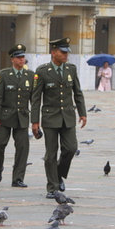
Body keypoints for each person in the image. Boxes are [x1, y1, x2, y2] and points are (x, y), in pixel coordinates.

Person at [31, 37, 87, 198]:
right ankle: (52, 187)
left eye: (67, 52)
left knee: (71, 148)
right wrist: (35, 122)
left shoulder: (71, 69)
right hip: (50, 117)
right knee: (51, 154)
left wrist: (82, 112)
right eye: (63, 52)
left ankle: (59, 173)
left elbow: (78, 92)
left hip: (68, 116)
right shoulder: (42, 71)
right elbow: (36, 98)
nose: (66, 55)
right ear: (53, 52)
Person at [0, 44, 34, 188]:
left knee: (22, 148)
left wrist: (35, 120)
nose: (21, 59)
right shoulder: (4, 74)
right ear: (12, 59)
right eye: (18, 57)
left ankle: (18, 178)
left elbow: (34, 99)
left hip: (22, 117)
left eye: (23, 57)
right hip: (5, 116)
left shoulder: (30, 75)